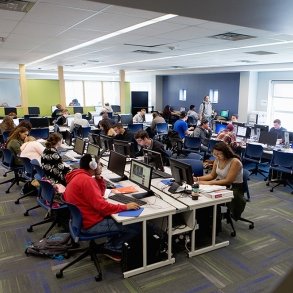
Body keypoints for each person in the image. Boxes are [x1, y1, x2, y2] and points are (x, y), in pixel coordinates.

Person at [63, 154, 140, 261]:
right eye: (99, 164)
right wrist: (125, 206)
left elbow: (100, 193)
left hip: (81, 221)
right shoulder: (86, 180)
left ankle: (111, 243)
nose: (101, 166)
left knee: (115, 218)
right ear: (93, 166)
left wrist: (98, 179)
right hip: (90, 225)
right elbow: (102, 207)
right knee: (135, 226)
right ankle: (112, 247)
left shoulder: (78, 175)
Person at [195, 141, 246, 220]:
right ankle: (211, 218)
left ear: (226, 153)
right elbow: (212, 175)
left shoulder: (235, 162)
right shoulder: (217, 160)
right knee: (204, 194)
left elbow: (228, 181)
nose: (217, 156)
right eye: (215, 154)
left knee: (210, 198)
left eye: (219, 154)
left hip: (234, 188)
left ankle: (215, 219)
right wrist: (197, 179)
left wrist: (208, 183)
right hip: (222, 184)